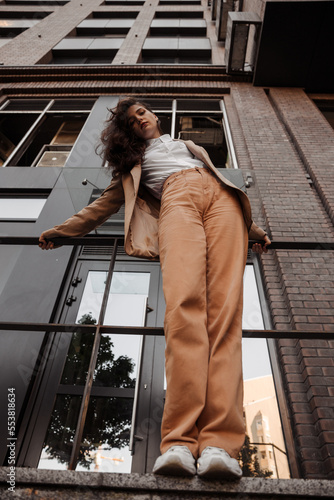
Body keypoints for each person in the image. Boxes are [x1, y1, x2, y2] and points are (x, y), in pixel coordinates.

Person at [39, 97, 271, 480]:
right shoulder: (133, 166)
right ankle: (179, 442)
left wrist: (256, 232)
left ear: (155, 115)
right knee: (184, 311)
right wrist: (60, 233)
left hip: (224, 204)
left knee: (225, 317)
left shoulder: (187, 145)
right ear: (127, 132)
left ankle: (219, 446)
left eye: (142, 111)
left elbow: (220, 180)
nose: (140, 119)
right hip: (175, 200)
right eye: (131, 120)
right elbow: (100, 207)